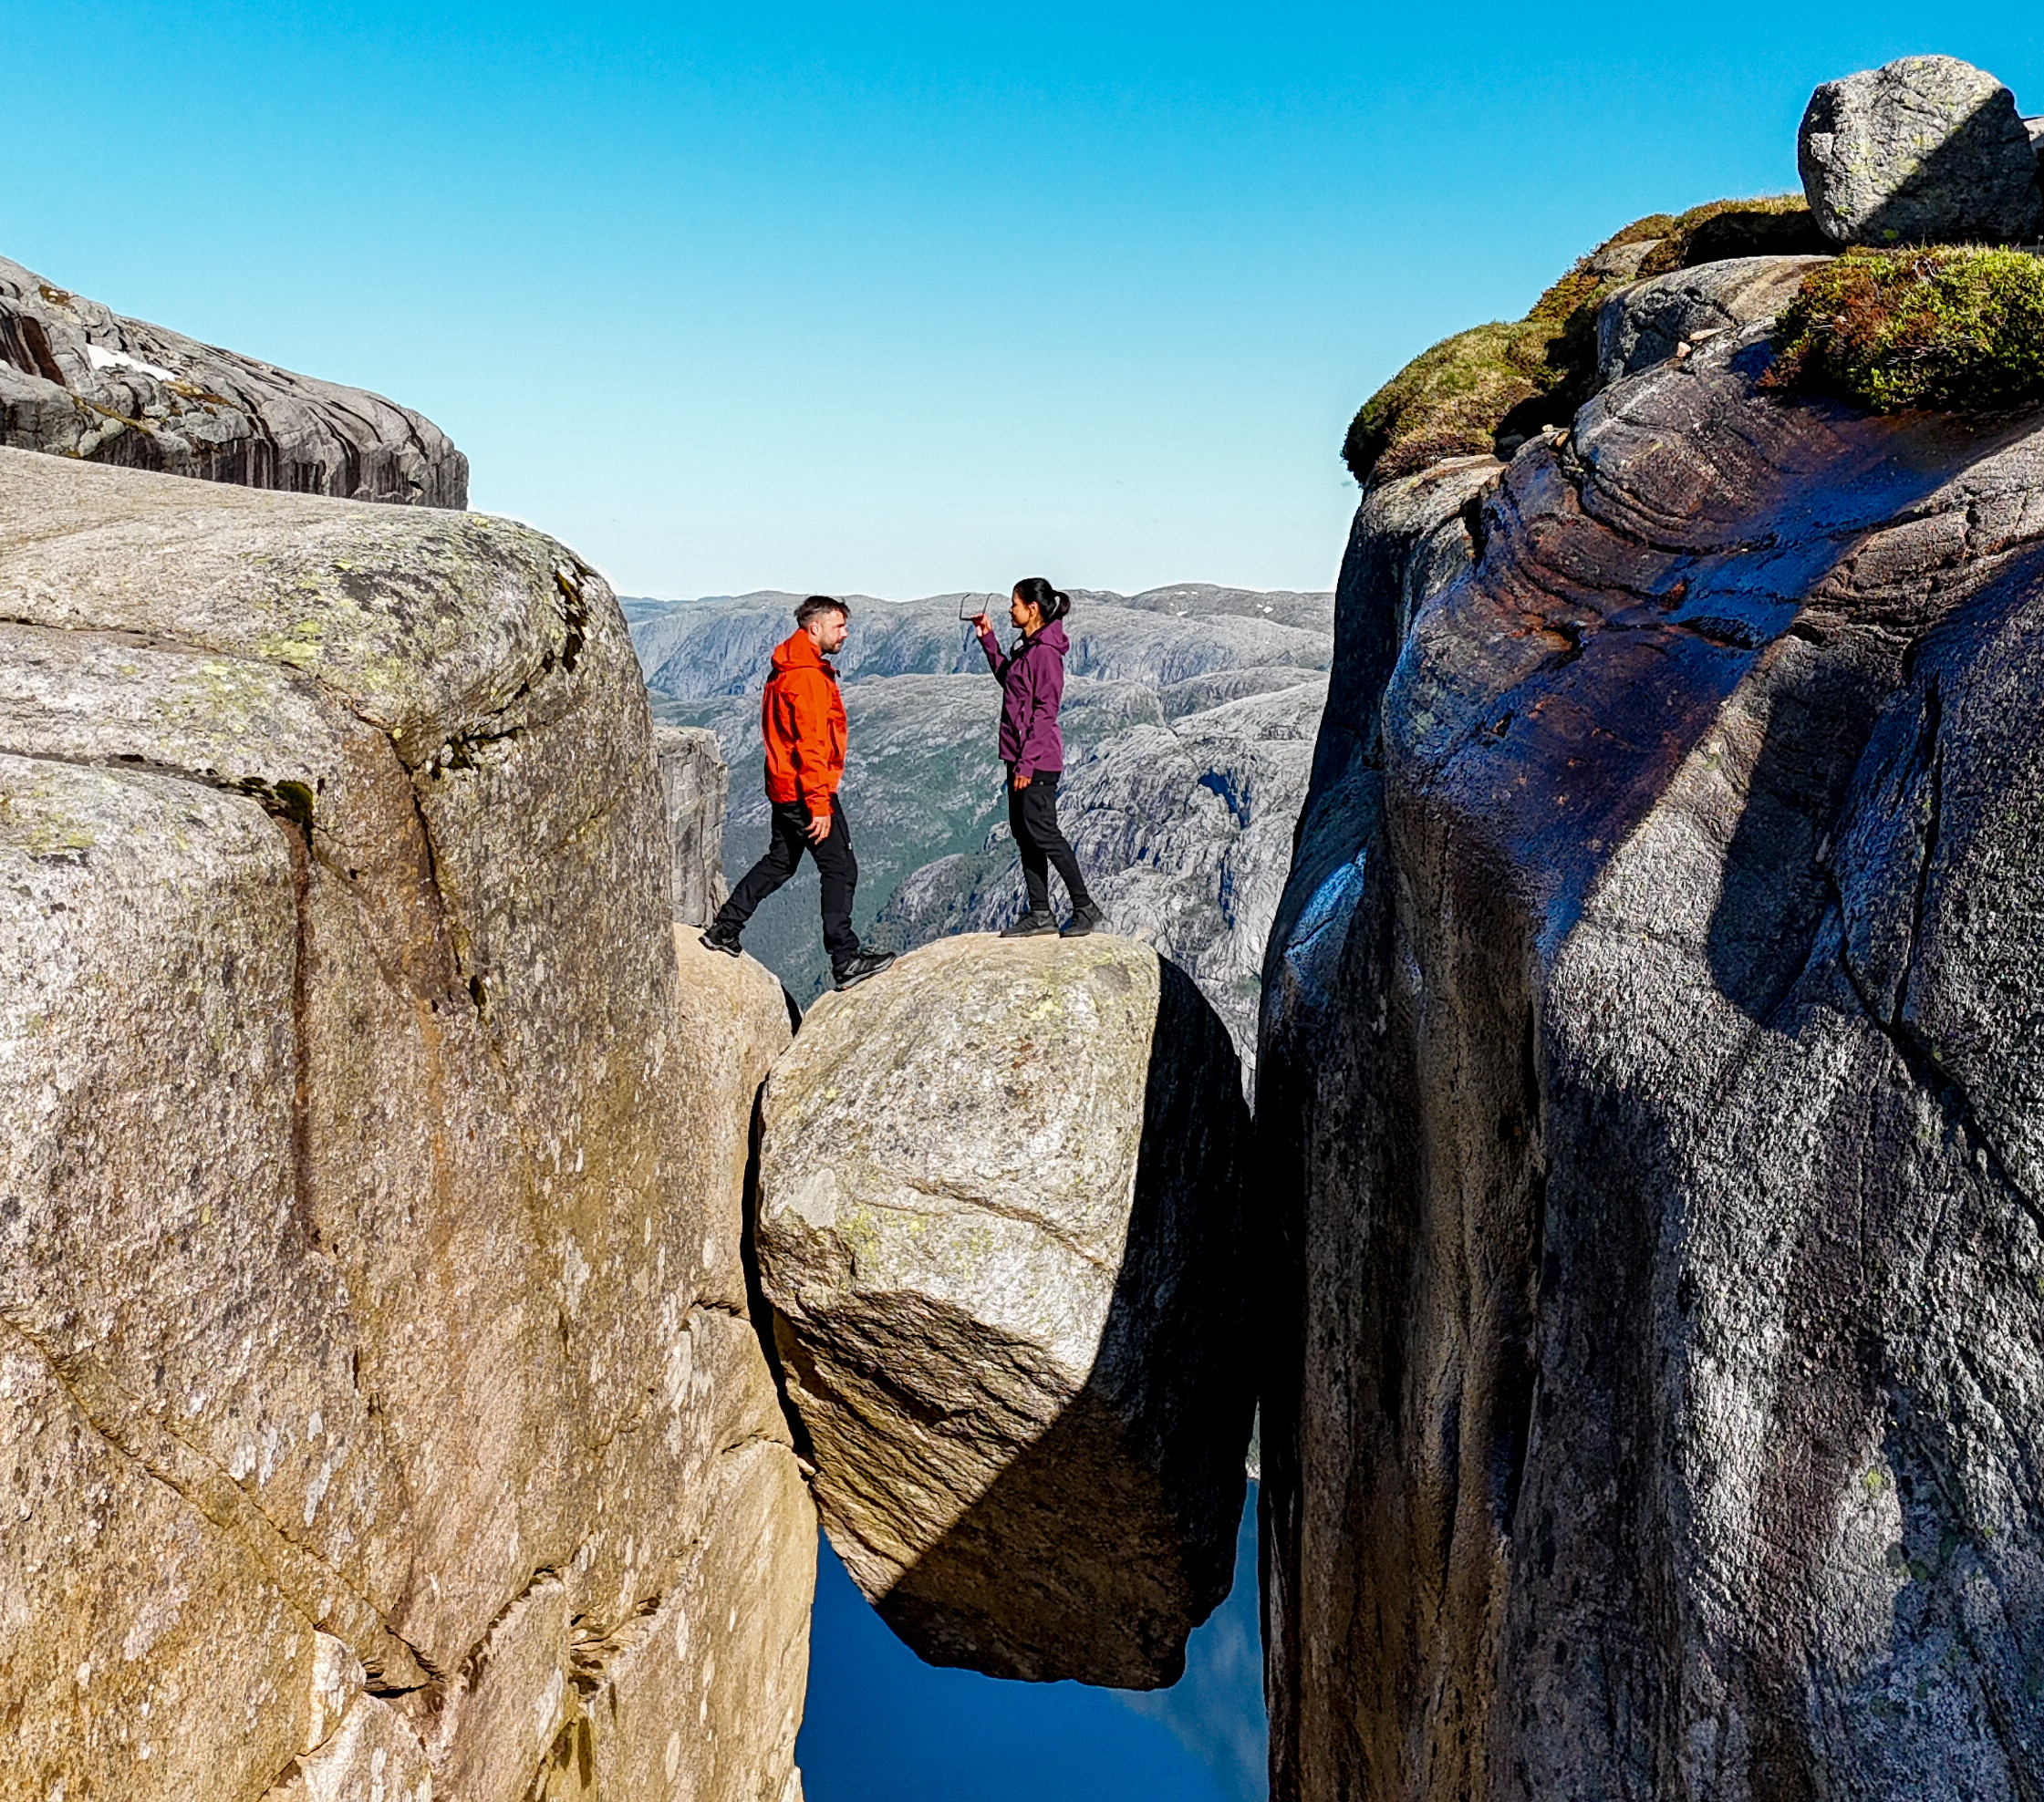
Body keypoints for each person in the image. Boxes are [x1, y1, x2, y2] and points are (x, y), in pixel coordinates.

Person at [700, 595, 895, 989]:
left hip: (785, 788)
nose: (845, 633)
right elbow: (810, 744)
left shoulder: (787, 666)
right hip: (807, 792)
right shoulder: (805, 676)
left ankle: (724, 928)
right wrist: (819, 805)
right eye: (839, 627)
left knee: (780, 862)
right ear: (815, 628)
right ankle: (845, 960)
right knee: (840, 868)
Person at [970, 577, 1104, 938]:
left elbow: (1046, 711)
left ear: (1032, 609)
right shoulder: (1029, 648)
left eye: (1014, 604)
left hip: (1037, 762)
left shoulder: (1044, 652)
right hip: (1018, 757)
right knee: (1025, 834)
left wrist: (1027, 764)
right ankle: (1040, 912)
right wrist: (988, 640)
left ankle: (1084, 907)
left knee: (1044, 834)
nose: (1009, 610)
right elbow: (1010, 683)